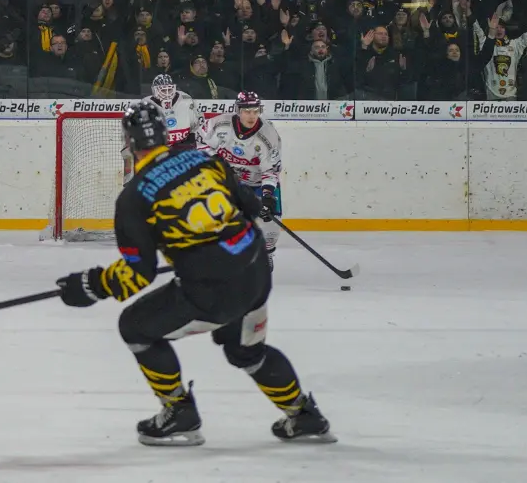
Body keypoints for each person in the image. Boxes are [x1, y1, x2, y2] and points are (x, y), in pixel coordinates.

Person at [54, 100, 331, 447]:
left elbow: (138, 274)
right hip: (256, 269)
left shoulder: (135, 196)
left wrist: (91, 285)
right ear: (166, 135)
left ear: (129, 142)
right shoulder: (206, 160)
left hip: (213, 289)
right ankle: (303, 415)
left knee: (135, 327)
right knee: (245, 350)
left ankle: (178, 412)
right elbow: (249, 205)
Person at [196, 92, 283, 268]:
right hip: (230, 181)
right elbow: (201, 141)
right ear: (238, 110)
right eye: (247, 111)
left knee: (272, 223)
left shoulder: (269, 136)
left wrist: (267, 196)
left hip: (258, 182)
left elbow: (271, 170)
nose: (252, 116)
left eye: (255, 111)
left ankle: (267, 253)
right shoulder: (219, 124)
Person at [148, 73, 200, 147]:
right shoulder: (147, 104)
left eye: (169, 90)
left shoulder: (185, 100)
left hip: (182, 147)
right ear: (154, 90)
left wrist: (191, 138)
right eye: (163, 91)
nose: (167, 94)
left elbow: (197, 124)